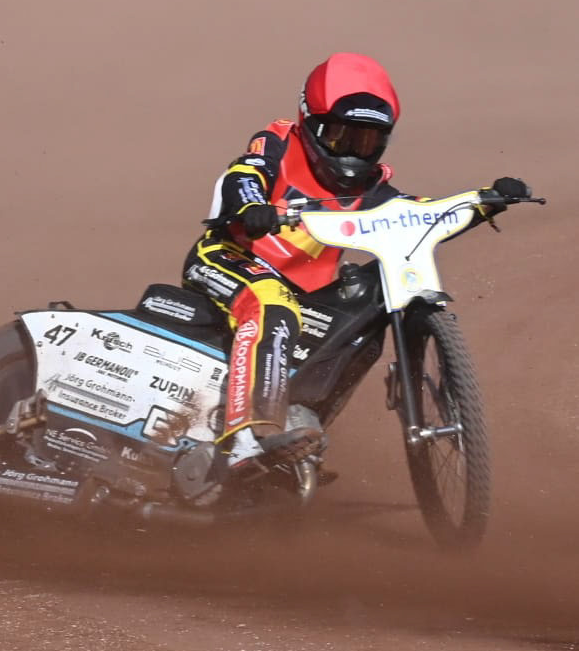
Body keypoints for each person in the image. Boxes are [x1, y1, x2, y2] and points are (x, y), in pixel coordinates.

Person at [184, 51, 529, 474]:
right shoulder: (277, 144)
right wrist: (252, 207)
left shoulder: (372, 189)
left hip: (303, 292)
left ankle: (298, 443)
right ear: (311, 123)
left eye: (366, 142)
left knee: (365, 321)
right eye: (340, 137)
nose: (352, 153)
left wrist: (485, 201)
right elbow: (244, 176)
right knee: (271, 303)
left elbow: (419, 217)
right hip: (225, 259)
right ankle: (251, 435)